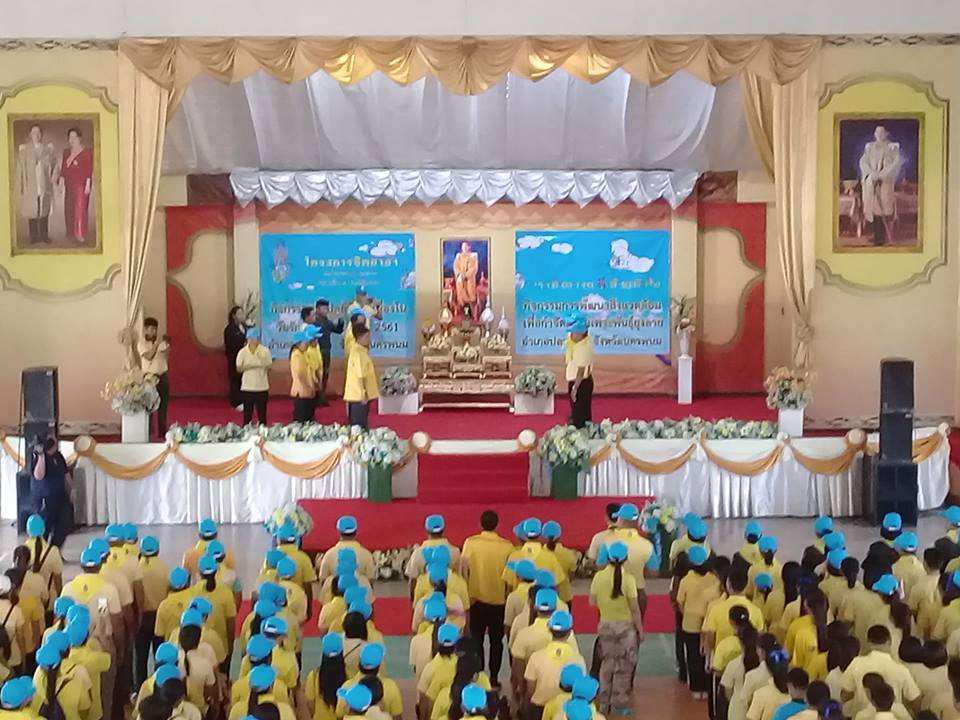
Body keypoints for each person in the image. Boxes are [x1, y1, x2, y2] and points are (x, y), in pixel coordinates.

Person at [589, 541, 644, 715]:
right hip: (626, 629)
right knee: (624, 668)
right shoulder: (629, 579)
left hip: (605, 627)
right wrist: (640, 629)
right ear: (626, 558)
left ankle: (604, 704)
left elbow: (592, 602)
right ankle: (620, 705)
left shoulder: (598, 577)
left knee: (606, 665)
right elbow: (635, 609)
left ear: (608, 558)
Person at [858, 126, 902, 247]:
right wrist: (872, 174)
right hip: (872, 182)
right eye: (877, 132)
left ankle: (881, 238)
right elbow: (863, 162)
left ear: (886, 133)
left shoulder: (892, 147)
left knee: (883, 209)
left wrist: (882, 175)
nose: (879, 134)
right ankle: (876, 236)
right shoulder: (870, 147)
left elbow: (895, 163)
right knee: (874, 209)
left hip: (885, 183)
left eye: (882, 132)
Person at [16, 123, 56, 244]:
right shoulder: (24, 150)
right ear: (30, 134)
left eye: (38, 132)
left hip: (44, 184)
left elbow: (54, 166)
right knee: (32, 210)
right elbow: (20, 169)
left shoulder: (47, 150)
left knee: (44, 210)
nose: (36, 135)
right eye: (34, 132)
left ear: (41, 135)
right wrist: (21, 186)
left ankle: (44, 236)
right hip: (31, 185)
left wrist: (53, 180)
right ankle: (33, 237)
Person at [30, 437, 72, 547]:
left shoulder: (58, 456)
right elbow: (39, 475)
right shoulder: (38, 457)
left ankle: (54, 550)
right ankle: (41, 552)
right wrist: (41, 456)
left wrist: (71, 491)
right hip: (45, 499)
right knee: (44, 528)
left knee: (63, 525)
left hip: (61, 497)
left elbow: (66, 475)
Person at [56, 127, 94, 243]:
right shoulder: (66, 152)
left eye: (74, 137)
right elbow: (63, 169)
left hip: (81, 185)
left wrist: (88, 184)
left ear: (79, 138)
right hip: (69, 184)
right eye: (70, 137)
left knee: (80, 209)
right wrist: (61, 184)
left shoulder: (86, 152)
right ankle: (70, 232)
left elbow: (88, 170)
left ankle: (80, 233)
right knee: (69, 208)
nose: (72, 140)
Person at [137, 317, 170, 439]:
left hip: (163, 376)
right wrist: (156, 346)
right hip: (149, 379)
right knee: (149, 406)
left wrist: (166, 346)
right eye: (151, 329)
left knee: (163, 406)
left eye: (155, 329)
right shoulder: (141, 344)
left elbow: (166, 357)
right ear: (145, 330)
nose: (154, 332)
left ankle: (162, 433)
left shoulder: (161, 343)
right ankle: (149, 433)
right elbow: (149, 356)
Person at [236, 329, 273, 426]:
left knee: (262, 416)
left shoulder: (265, 351)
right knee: (247, 415)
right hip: (247, 387)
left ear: (258, 339)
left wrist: (261, 362)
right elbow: (239, 368)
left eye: (255, 338)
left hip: (262, 387)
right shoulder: (242, 352)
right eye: (250, 339)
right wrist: (250, 366)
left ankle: (263, 432)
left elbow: (269, 366)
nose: (252, 341)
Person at [343, 325, 377, 429]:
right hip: (358, 395)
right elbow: (360, 374)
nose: (369, 340)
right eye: (366, 337)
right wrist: (363, 393)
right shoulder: (357, 352)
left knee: (361, 423)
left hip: (360, 394)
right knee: (358, 425)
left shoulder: (361, 350)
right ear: (359, 337)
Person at [564, 313, 593, 428]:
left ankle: (581, 429)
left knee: (580, 414)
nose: (572, 334)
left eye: (574, 332)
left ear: (582, 333)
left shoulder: (584, 348)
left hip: (581, 382)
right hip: (573, 379)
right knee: (575, 409)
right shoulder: (572, 339)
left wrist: (575, 388)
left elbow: (581, 372)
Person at [314, 299, 344, 406]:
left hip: (326, 351)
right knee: (317, 375)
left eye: (327, 308)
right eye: (324, 308)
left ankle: (322, 396)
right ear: (317, 309)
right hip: (317, 352)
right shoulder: (314, 322)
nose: (326, 310)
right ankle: (316, 397)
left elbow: (338, 330)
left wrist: (340, 321)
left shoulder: (327, 321)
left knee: (325, 374)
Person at [289, 329, 317, 423]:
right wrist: (309, 386)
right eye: (305, 342)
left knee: (308, 419)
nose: (308, 344)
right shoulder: (296, 355)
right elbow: (300, 374)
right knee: (301, 419)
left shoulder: (304, 354)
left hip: (307, 391)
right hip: (301, 392)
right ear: (299, 343)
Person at [223, 306, 247, 409]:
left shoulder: (244, 327)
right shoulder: (229, 329)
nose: (242, 316)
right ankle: (236, 402)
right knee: (235, 380)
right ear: (234, 316)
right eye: (239, 314)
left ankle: (243, 400)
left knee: (242, 380)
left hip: (244, 359)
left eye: (242, 313)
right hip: (234, 358)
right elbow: (231, 343)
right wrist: (242, 342)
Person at [453, 241, 479, 314]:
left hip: (469, 279)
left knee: (470, 296)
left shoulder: (473, 256)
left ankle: (472, 313)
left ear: (469, 247)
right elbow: (455, 267)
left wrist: (466, 275)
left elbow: (474, 268)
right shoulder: (459, 256)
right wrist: (460, 274)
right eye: (463, 246)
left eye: (465, 246)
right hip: (460, 280)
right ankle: (463, 312)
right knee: (461, 295)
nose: (464, 248)